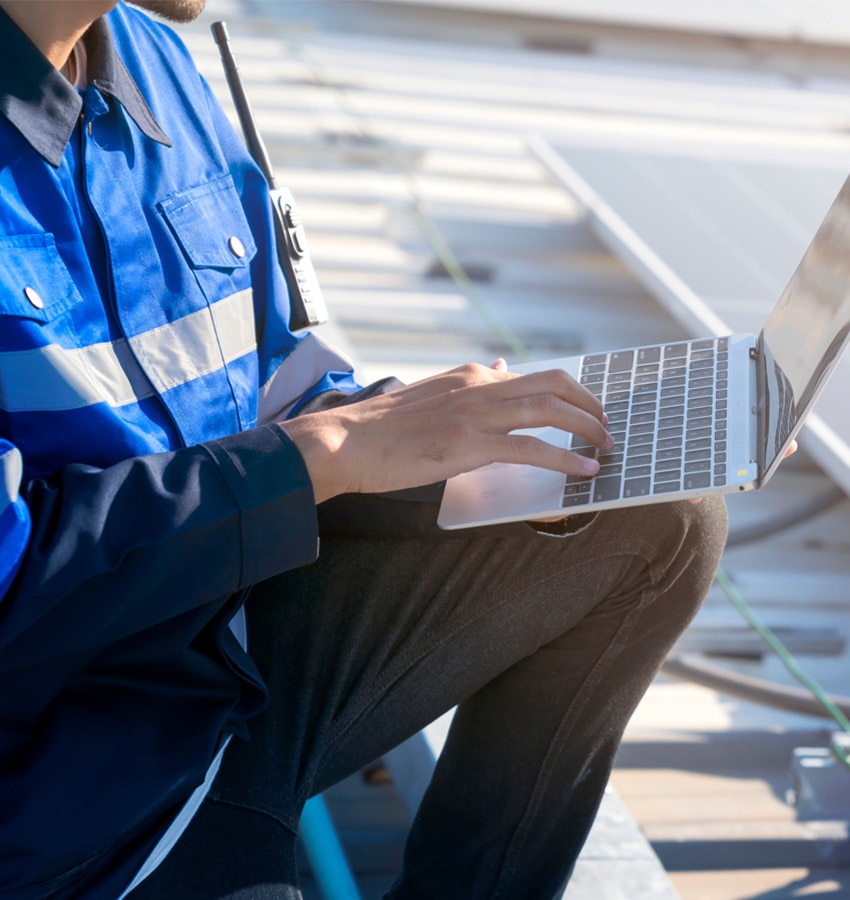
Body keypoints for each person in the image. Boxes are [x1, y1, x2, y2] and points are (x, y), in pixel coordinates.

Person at [0, 1, 729, 897]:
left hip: (225, 641)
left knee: (642, 512)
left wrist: (434, 433)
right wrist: (324, 453)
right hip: (66, 786)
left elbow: (267, 375)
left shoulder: (153, 59)